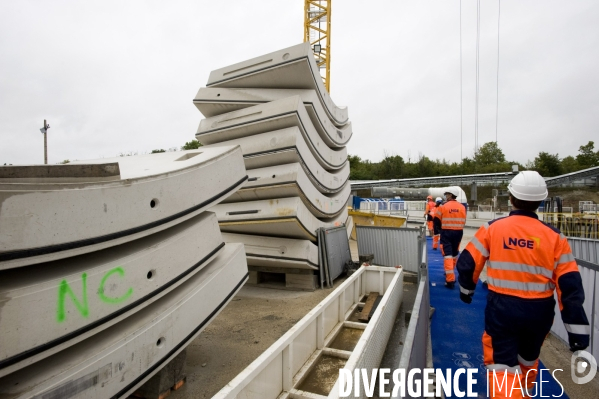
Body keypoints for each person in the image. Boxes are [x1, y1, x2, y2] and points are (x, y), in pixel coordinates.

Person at [456, 171, 589, 399]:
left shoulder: (493, 228)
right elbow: (570, 286)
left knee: (502, 366)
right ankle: (524, 394)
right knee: (528, 359)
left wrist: (466, 289)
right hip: (539, 312)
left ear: (510, 197)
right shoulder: (555, 238)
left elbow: (468, 262)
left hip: (502, 309)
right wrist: (577, 331)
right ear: (540, 201)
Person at [434, 187, 466, 288]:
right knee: (454, 254)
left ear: (451, 195)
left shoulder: (443, 206)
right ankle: (450, 273)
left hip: (447, 232)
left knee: (447, 255)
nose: (446, 196)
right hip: (459, 232)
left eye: (447, 194)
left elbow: (437, 220)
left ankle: (450, 279)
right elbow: (464, 220)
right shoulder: (462, 207)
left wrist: (439, 229)